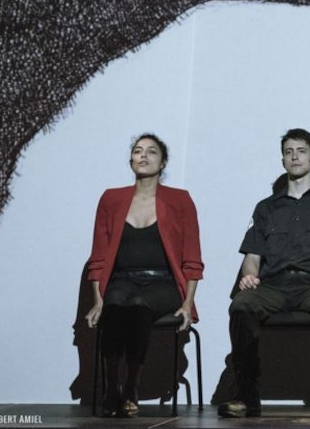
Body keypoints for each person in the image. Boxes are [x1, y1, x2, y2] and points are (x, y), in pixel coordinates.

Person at [218, 128, 310, 419]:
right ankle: (246, 395)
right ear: (283, 160)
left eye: (301, 151)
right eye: (288, 152)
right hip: (273, 287)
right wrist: (249, 275)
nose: (294, 156)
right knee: (241, 304)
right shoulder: (265, 208)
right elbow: (252, 257)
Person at [84, 133, 204, 418]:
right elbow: (98, 258)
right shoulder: (111, 199)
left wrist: (187, 303)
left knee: (138, 304)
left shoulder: (180, 200)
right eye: (138, 151)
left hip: (163, 282)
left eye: (152, 152)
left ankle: (132, 386)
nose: (144, 156)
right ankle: (112, 385)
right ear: (130, 160)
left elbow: (192, 258)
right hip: (121, 280)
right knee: (114, 305)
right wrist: (98, 301)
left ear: (163, 163)